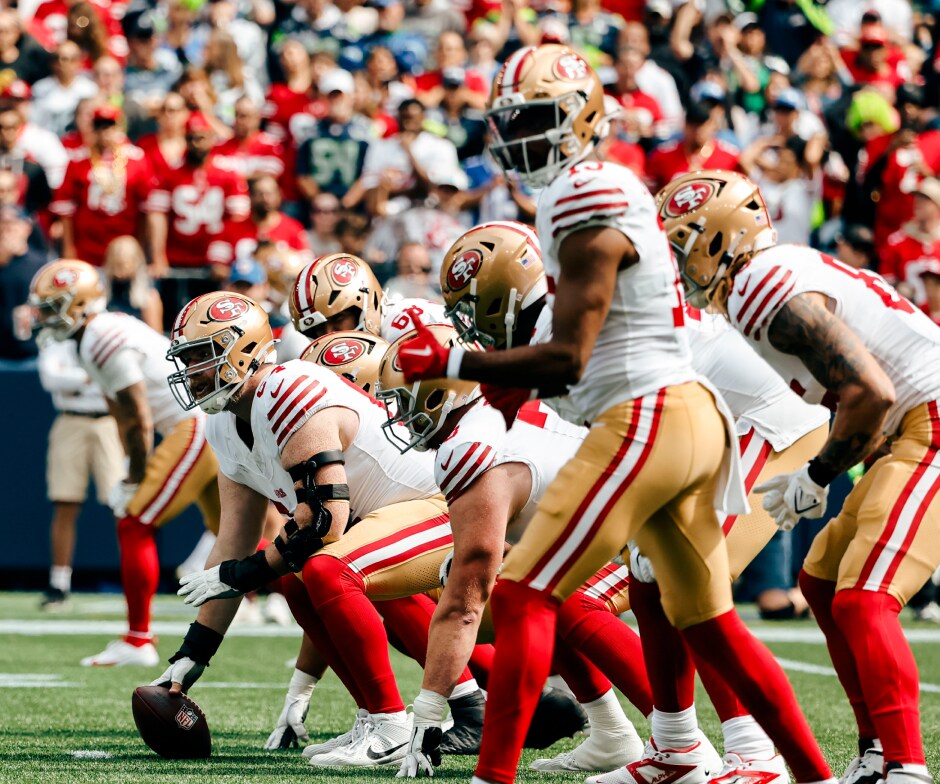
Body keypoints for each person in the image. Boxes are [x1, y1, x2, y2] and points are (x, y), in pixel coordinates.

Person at [397, 44, 835, 784]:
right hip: (681, 417)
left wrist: (450, 364)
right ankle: (800, 774)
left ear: (581, 117)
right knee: (708, 622)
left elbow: (568, 358)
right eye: (509, 122)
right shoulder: (579, 191)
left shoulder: (583, 191)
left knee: (529, 592)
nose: (517, 137)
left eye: (534, 119)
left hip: (653, 417)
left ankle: (492, 778)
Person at [657, 168, 940, 784]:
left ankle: (906, 769)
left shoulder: (761, 282)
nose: (674, 263)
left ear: (719, 239)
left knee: (866, 597)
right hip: (910, 427)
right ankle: (874, 754)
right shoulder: (760, 278)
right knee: (820, 580)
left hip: (931, 420)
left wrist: (817, 473)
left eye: (681, 245)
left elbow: (870, 389)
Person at [156, 291, 473, 767]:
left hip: (443, 508)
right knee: (297, 576)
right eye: (188, 359)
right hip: (387, 526)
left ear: (243, 349)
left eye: (203, 356)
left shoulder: (286, 390)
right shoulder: (224, 424)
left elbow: (323, 524)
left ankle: (391, 724)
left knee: (324, 568)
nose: (193, 371)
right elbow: (234, 538)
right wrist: (192, 654)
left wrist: (238, 576)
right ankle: (376, 716)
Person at [27, 258, 221, 666]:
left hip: (194, 424)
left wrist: (134, 476)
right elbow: (121, 412)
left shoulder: (102, 336)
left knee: (135, 521)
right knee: (245, 535)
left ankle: (137, 640)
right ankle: (313, 604)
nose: (45, 316)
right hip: (197, 425)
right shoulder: (92, 337)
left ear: (79, 303)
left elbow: (137, 418)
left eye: (52, 305)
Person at [37, 336, 122, 608]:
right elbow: (50, 378)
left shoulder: (105, 336)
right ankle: (59, 583)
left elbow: (119, 377)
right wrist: (91, 377)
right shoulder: (56, 341)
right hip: (70, 418)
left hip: (108, 420)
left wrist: (75, 378)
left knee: (122, 504)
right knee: (65, 501)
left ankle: (136, 577)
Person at [51, 105, 158, 267]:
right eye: (99, 127)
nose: (104, 133)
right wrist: (68, 249)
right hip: (87, 248)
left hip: (125, 247)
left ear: (120, 128)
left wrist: (141, 248)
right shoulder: (78, 160)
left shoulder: (136, 159)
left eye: (109, 127)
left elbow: (146, 209)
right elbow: (66, 210)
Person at [288, 253, 447, 345]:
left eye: (339, 318)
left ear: (367, 302)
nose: (330, 334)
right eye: (319, 329)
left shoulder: (406, 325)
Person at [0, 205, 47, 360]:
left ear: (27, 227)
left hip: (32, 351)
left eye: (12, 223)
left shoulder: (40, 263)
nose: (7, 229)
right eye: (2, 223)